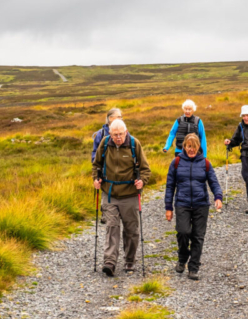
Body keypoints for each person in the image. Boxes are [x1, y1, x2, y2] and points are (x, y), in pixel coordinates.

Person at [93, 119, 151, 277]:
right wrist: (96, 179)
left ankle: (130, 260)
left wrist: (142, 181)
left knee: (131, 230)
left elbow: (145, 169)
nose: (118, 137)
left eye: (120, 134)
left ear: (126, 132)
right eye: (115, 134)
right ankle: (109, 262)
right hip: (109, 193)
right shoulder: (105, 144)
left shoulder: (134, 144)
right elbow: (96, 164)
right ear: (110, 133)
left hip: (130, 194)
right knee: (112, 227)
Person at [164, 134, 222, 280]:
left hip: (201, 204)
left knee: (198, 237)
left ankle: (194, 267)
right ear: (184, 146)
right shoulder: (176, 162)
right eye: (189, 146)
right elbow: (170, 186)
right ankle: (183, 257)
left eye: (194, 147)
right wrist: (168, 207)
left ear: (198, 148)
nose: (191, 149)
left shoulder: (205, 163)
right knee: (183, 232)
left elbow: (214, 182)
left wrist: (218, 197)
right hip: (182, 204)